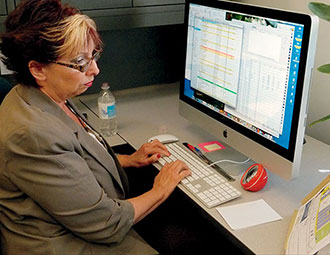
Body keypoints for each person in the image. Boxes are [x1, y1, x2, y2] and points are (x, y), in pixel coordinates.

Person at [0, 0, 192, 254]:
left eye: (93, 56)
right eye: (80, 62)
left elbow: (73, 157)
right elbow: (106, 224)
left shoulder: (46, 95)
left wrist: (128, 159)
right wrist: (161, 188)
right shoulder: (32, 133)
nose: (95, 69)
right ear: (37, 69)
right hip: (65, 244)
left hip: (83, 223)